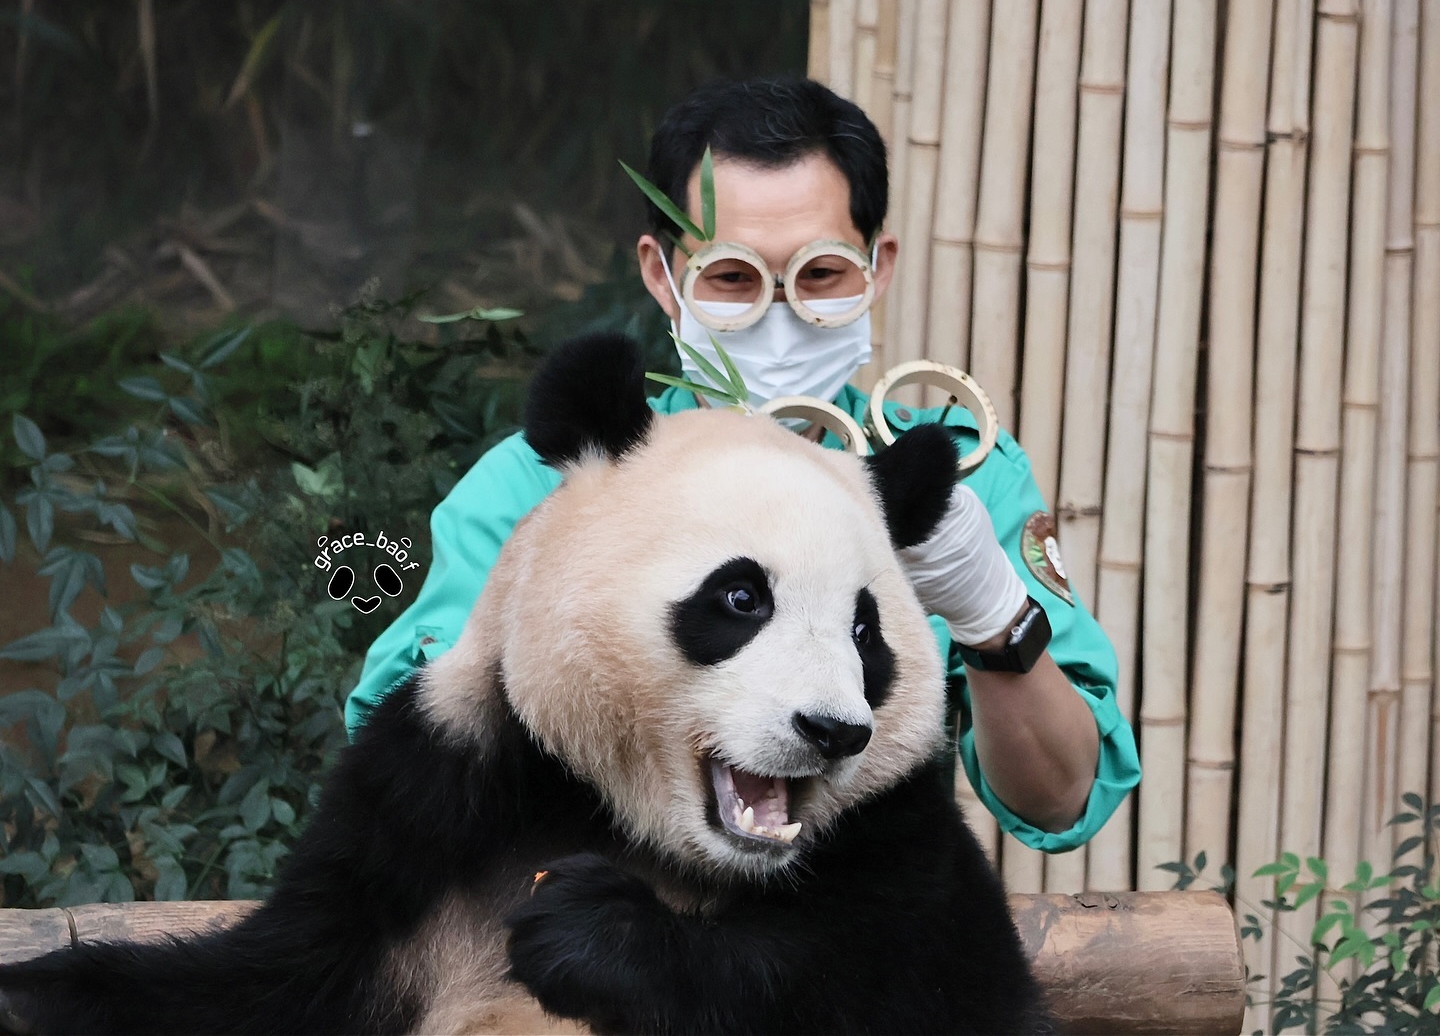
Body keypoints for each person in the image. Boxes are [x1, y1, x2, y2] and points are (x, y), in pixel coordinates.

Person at [346, 75, 1140, 853]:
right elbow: (402, 771)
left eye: (822, 273)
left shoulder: (963, 482)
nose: (780, 315)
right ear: (664, 275)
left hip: (850, 939)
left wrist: (992, 614)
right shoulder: (544, 484)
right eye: (733, 277)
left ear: (878, 266)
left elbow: (1064, 797)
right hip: (582, 915)